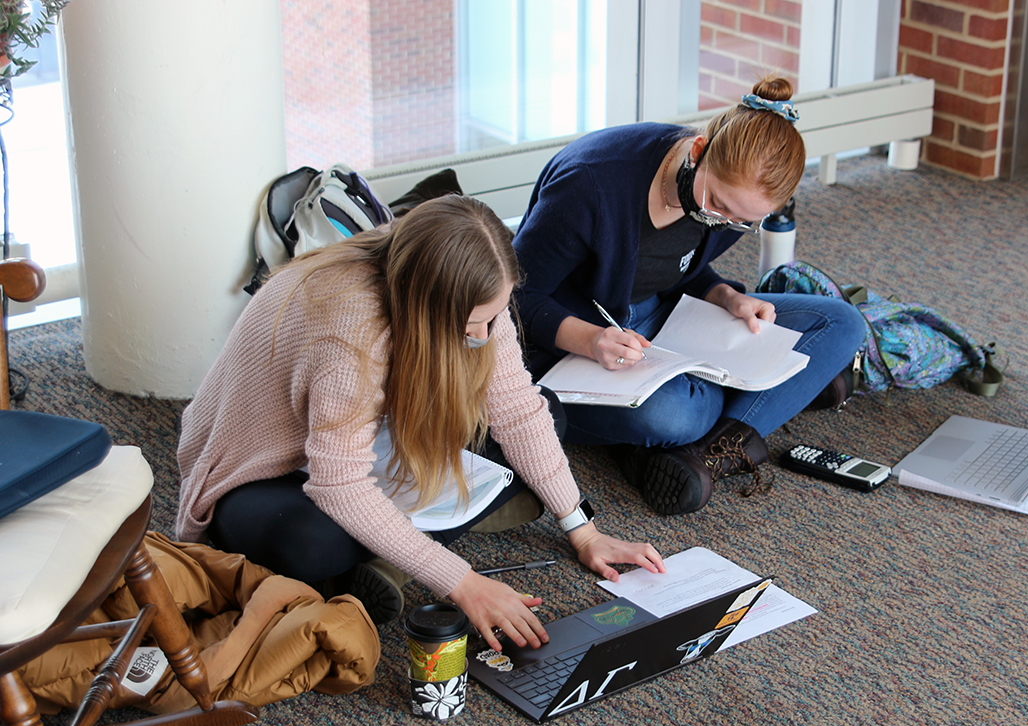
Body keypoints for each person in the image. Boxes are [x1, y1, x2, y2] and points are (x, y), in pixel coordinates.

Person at [175, 194, 665, 654]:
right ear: (423, 306)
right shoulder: (352, 328)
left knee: (546, 413)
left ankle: (392, 556)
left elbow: (516, 408)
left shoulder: (465, 295)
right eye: (471, 325)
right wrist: (463, 582)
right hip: (262, 470)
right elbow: (338, 484)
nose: (484, 335)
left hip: (371, 435)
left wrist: (582, 528)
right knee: (312, 543)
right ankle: (403, 548)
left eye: (493, 319)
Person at [512, 75, 867, 516]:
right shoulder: (591, 185)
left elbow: (676, 267)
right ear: (698, 152)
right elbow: (514, 300)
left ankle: (697, 458)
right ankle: (753, 408)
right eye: (718, 203)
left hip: (665, 319)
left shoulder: (719, 206)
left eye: (741, 221)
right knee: (680, 415)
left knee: (842, 324)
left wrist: (723, 296)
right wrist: (591, 340)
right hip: (572, 342)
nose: (720, 222)